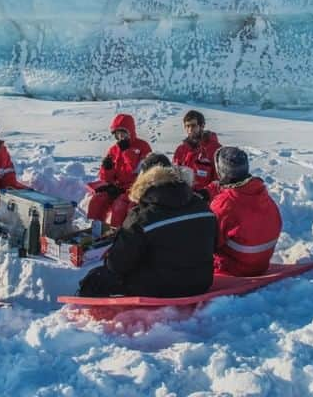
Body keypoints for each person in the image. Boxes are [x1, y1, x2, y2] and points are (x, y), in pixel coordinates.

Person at [77, 153, 217, 297]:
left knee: (97, 277)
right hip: (202, 283)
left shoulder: (141, 216)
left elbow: (117, 264)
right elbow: (214, 244)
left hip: (160, 288)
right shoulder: (202, 207)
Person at [209, 146, 283, 277]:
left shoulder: (225, 204)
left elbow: (208, 241)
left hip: (233, 269)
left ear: (221, 171)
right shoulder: (261, 193)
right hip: (261, 264)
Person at [87, 113, 152, 228]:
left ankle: (118, 235)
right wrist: (107, 170)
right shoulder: (113, 150)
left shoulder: (143, 147)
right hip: (117, 187)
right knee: (97, 200)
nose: (121, 137)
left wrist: (126, 152)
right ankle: (96, 230)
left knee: (119, 207)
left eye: (123, 133)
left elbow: (142, 172)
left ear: (130, 132)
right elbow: (105, 178)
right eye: (118, 134)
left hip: (135, 188)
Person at [172, 109, 222, 198]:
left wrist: (204, 194)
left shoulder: (214, 149)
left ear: (202, 126)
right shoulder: (181, 150)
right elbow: (174, 175)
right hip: (183, 200)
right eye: (187, 126)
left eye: (193, 125)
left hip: (205, 202)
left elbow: (220, 181)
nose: (190, 129)